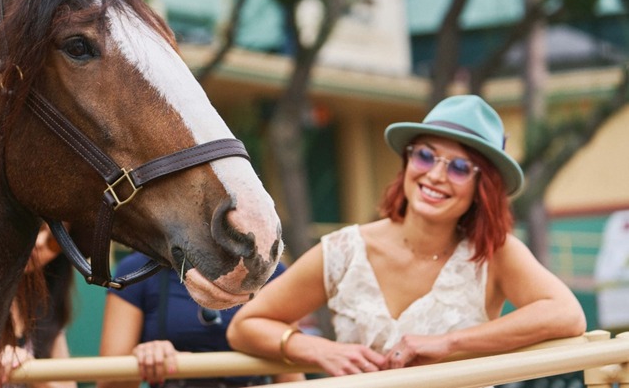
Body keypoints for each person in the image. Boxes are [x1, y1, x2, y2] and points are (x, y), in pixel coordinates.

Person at [227, 95, 587, 377]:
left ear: (483, 187)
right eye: (426, 156)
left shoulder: (495, 253)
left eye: (460, 167)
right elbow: (245, 326)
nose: (436, 175)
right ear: (408, 163)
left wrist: (449, 343)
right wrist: (318, 349)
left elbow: (567, 315)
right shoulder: (344, 250)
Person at [97, 251, 304, 388]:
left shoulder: (270, 271)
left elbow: (289, 377)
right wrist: (144, 358)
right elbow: (109, 382)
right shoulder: (136, 270)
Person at [0, 222, 77, 388]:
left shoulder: (46, 305)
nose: (40, 242)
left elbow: (68, 385)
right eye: (37, 228)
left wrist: (33, 374)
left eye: (54, 241)